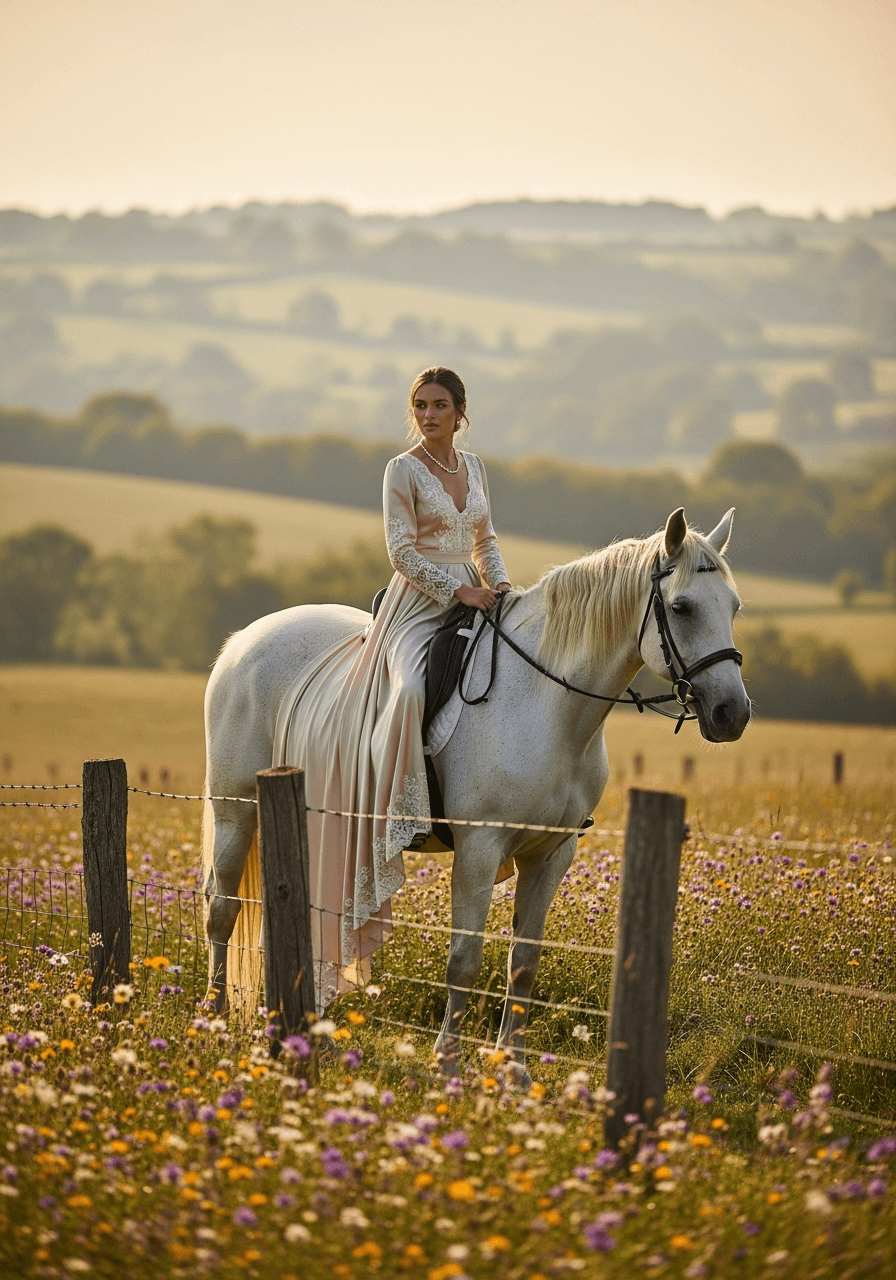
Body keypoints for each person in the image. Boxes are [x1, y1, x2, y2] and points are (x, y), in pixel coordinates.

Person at [273, 367, 511, 1006]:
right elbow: (400, 551)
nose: (428, 414)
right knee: (408, 690)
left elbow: (486, 539)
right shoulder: (400, 470)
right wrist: (457, 589)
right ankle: (399, 808)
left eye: (440, 405)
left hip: (476, 596)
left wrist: (502, 587)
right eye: (420, 405)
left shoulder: (477, 467)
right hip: (418, 604)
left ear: (461, 411)